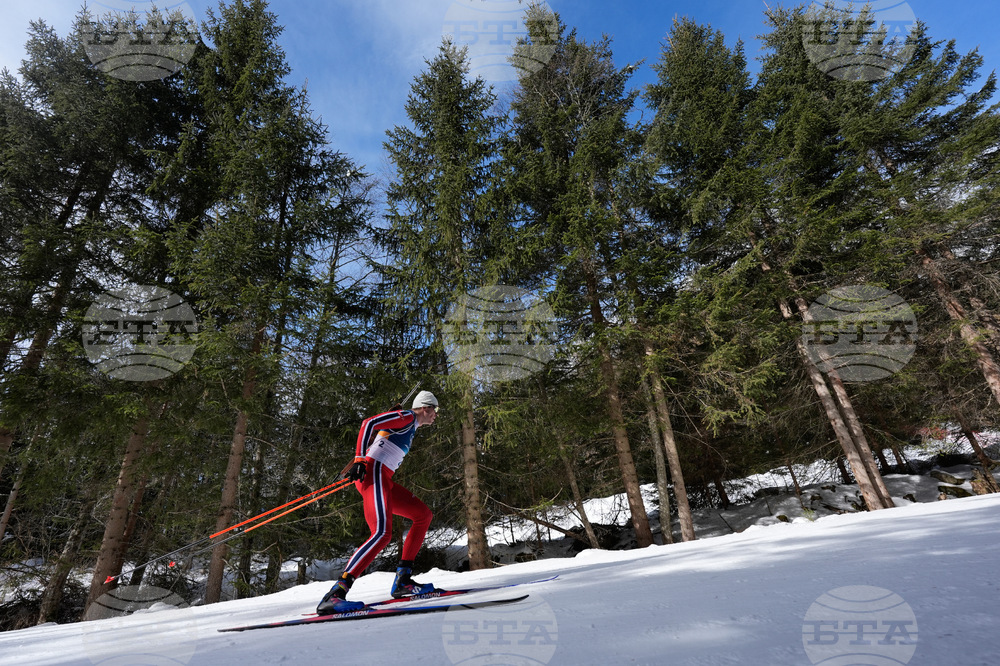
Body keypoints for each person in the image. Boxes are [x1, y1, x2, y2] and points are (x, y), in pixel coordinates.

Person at [316, 390, 440, 614]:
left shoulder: (409, 424)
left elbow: (381, 432)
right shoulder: (408, 417)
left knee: (423, 515)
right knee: (382, 533)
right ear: (426, 408)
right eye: (435, 410)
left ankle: (403, 581)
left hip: (384, 478)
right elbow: (369, 423)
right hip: (373, 473)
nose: (436, 415)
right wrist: (359, 459)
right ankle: (335, 595)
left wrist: (388, 424)